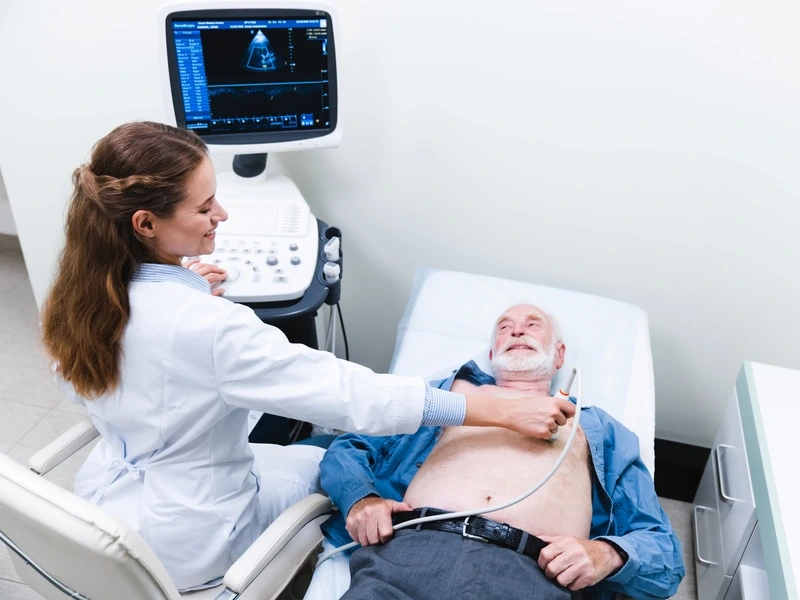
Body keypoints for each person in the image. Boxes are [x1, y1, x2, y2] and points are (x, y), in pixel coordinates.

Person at [39, 122, 579, 592]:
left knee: (328, 453)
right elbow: (346, 394)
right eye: (204, 207)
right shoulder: (207, 325)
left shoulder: (81, 295)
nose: (221, 214)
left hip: (103, 508)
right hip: (192, 540)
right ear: (145, 224)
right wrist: (491, 409)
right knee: (326, 460)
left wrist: (183, 290)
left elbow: (135, 364)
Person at [315, 304, 685, 600]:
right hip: (407, 556)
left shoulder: (598, 431)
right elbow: (350, 447)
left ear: (559, 355)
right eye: (505, 327)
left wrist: (606, 555)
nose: (517, 330)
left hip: (530, 575)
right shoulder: (446, 397)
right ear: (493, 353)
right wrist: (360, 500)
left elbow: (663, 553)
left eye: (532, 324)